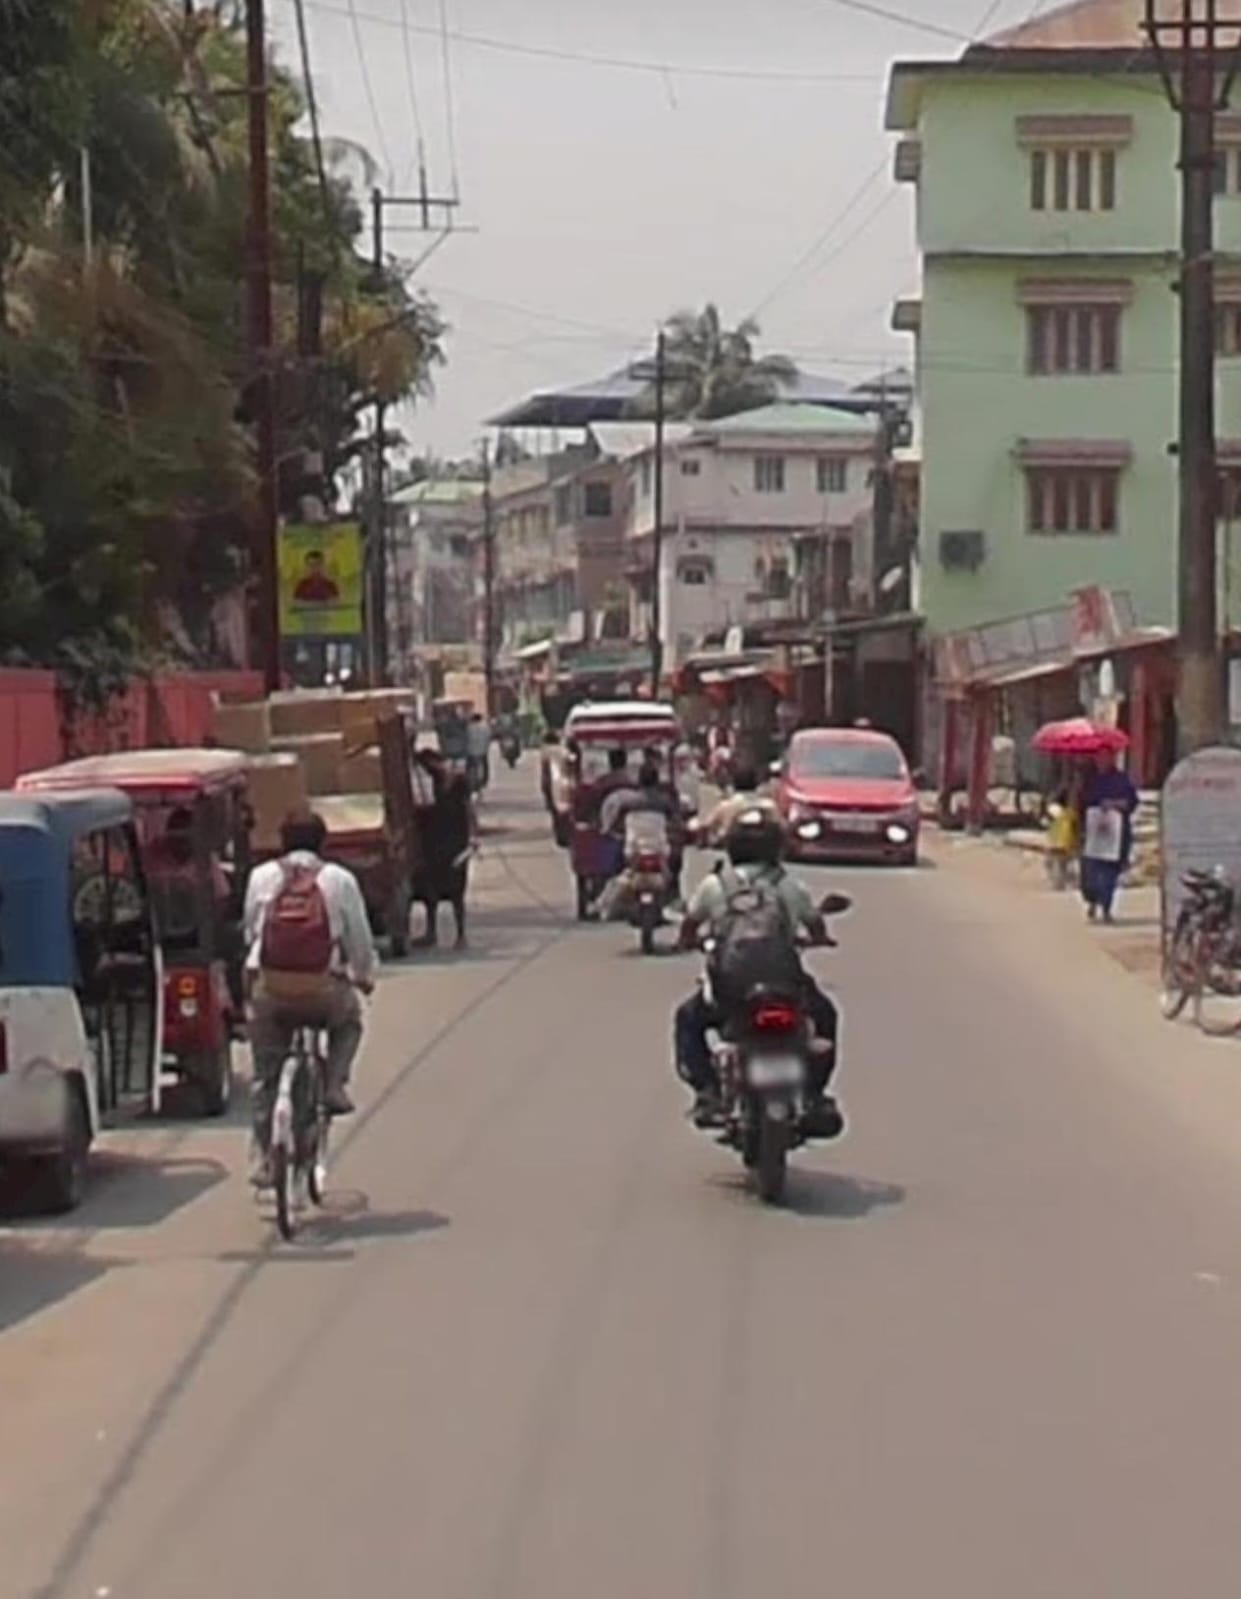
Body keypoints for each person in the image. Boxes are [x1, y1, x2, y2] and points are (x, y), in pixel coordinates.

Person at [673, 808, 840, 1134]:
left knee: (687, 1019)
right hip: (785, 985)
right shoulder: (790, 885)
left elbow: (690, 925)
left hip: (730, 989)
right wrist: (820, 939)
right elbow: (815, 925)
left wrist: (687, 942)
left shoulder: (714, 884)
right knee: (826, 1016)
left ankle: (707, 1092)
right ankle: (816, 1095)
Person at [244, 811, 377, 1185]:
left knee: (265, 1077)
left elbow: (249, 933)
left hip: (270, 990)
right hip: (323, 990)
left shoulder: (260, 877)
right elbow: (360, 942)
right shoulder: (339, 880)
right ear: (324, 844)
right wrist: (363, 978)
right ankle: (334, 1084)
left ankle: (265, 1162)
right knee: (349, 1022)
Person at [414, 749, 475, 949]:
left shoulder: (458, 781)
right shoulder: (430, 784)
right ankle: (431, 933)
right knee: (431, 890)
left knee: (457, 891)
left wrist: (473, 837)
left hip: (456, 842)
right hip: (434, 841)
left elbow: (469, 810)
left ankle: (461, 935)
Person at [1077, 748, 1139, 924]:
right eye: (1100, 757)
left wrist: (1115, 804)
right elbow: (1081, 803)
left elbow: (1131, 802)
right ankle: (1092, 901)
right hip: (1093, 833)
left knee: (1110, 873)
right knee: (1090, 872)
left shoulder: (1121, 779)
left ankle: (1106, 907)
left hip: (1116, 834)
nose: (1103, 760)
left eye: (1107, 757)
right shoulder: (1089, 780)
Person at [696, 764, 779, 846]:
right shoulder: (769, 805)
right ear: (756, 783)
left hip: (735, 845)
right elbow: (782, 826)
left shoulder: (726, 805)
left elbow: (707, 825)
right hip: (764, 846)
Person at [466, 712, 491, 792]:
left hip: (471, 751)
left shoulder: (469, 727)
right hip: (482, 750)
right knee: (484, 766)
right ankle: (483, 781)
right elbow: (488, 738)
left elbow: (466, 738)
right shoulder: (485, 727)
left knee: (471, 767)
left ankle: (471, 782)